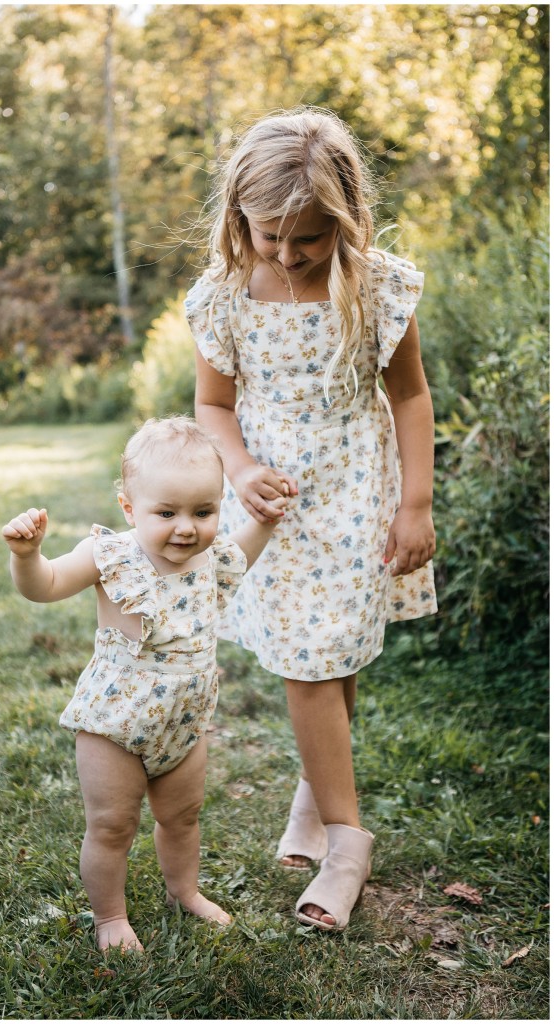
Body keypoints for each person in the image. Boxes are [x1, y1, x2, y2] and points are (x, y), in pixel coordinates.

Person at [186, 106, 437, 933]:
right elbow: (213, 406)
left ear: (345, 219)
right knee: (307, 661)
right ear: (239, 221)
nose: (288, 256)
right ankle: (343, 833)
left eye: (309, 240)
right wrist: (243, 468)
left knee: (337, 647)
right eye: (270, 239)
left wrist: (415, 504)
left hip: (358, 491)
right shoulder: (224, 298)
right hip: (275, 508)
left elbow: (408, 395)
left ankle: (329, 819)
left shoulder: (373, 285)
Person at [1, 416, 289, 953]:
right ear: (130, 507)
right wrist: (27, 557)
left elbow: (244, 552)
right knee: (112, 824)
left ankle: (184, 891)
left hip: (184, 721)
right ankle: (110, 917)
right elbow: (46, 587)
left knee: (182, 817)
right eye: (167, 512)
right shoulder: (110, 555)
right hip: (116, 719)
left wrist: (266, 520)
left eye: (204, 512)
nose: (186, 527)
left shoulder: (211, 557)